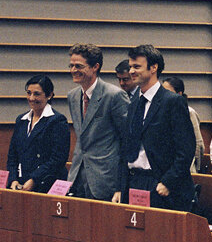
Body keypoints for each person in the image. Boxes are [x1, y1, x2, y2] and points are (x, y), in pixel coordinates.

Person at [124, 45, 196, 210]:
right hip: (135, 181)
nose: (131, 71)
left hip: (161, 184)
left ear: (153, 68)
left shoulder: (172, 102)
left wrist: (168, 182)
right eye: (130, 67)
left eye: (137, 66)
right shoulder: (134, 102)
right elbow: (127, 146)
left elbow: (186, 149)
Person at [67, 43, 129, 202]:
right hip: (78, 177)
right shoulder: (73, 96)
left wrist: (122, 186)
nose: (73, 70)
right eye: (71, 65)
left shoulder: (114, 96)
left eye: (79, 66)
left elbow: (128, 141)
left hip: (106, 179)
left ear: (95, 67)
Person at [6, 75, 69, 192]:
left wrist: (34, 179)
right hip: (22, 183)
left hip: (47, 184)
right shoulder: (21, 120)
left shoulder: (57, 121)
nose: (31, 98)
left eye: (36, 94)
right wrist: (13, 179)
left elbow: (58, 159)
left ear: (49, 95)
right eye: (29, 93)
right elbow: (12, 156)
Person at [162, 77, 204, 173]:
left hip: (186, 166)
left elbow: (198, 143)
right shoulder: (161, 112)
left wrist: (197, 168)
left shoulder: (189, 112)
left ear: (179, 94)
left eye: (168, 92)